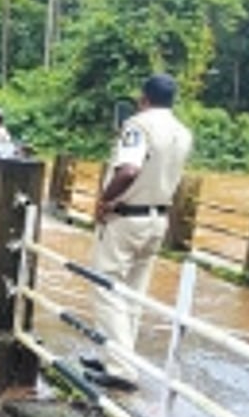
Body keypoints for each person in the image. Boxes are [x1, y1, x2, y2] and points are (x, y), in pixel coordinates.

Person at [82, 74, 193, 391]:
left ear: (144, 98)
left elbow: (128, 170)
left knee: (105, 287)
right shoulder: (182, 133)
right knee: (133, 292)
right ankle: (115, 356)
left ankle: (121, 368)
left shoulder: (138, 125)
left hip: (126, 218)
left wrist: (105, 200)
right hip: (158, 218)